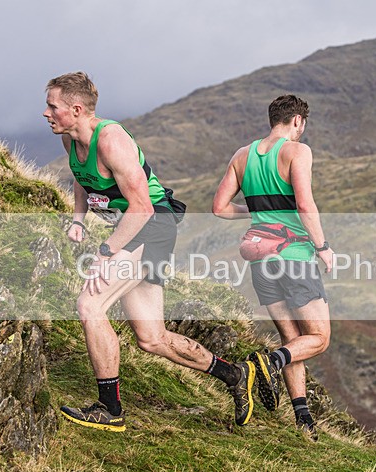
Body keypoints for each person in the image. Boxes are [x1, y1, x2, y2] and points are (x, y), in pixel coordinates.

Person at [44, 71, 256, 431]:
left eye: (52, 106)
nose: (46, 113)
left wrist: (107, 251)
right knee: (151, 338)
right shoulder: (70, 139)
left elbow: (141, 206)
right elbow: (82, 179)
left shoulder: (111, 140)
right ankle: (234, 374)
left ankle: (109, 409)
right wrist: (78, 220)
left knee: (90, 304)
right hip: (135, 229)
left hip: (151, 225)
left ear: (76, 109)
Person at [212, 94, 333, 440]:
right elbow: (306, 204)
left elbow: (219, 207)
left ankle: (303, 420)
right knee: (319, 338)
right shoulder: (298, 151)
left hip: (260, 259)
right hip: (293, 257)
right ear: (297, 121)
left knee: (291, 338)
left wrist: (255, 215)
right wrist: (323, 247)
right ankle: (266, 364)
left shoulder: (242, 156)